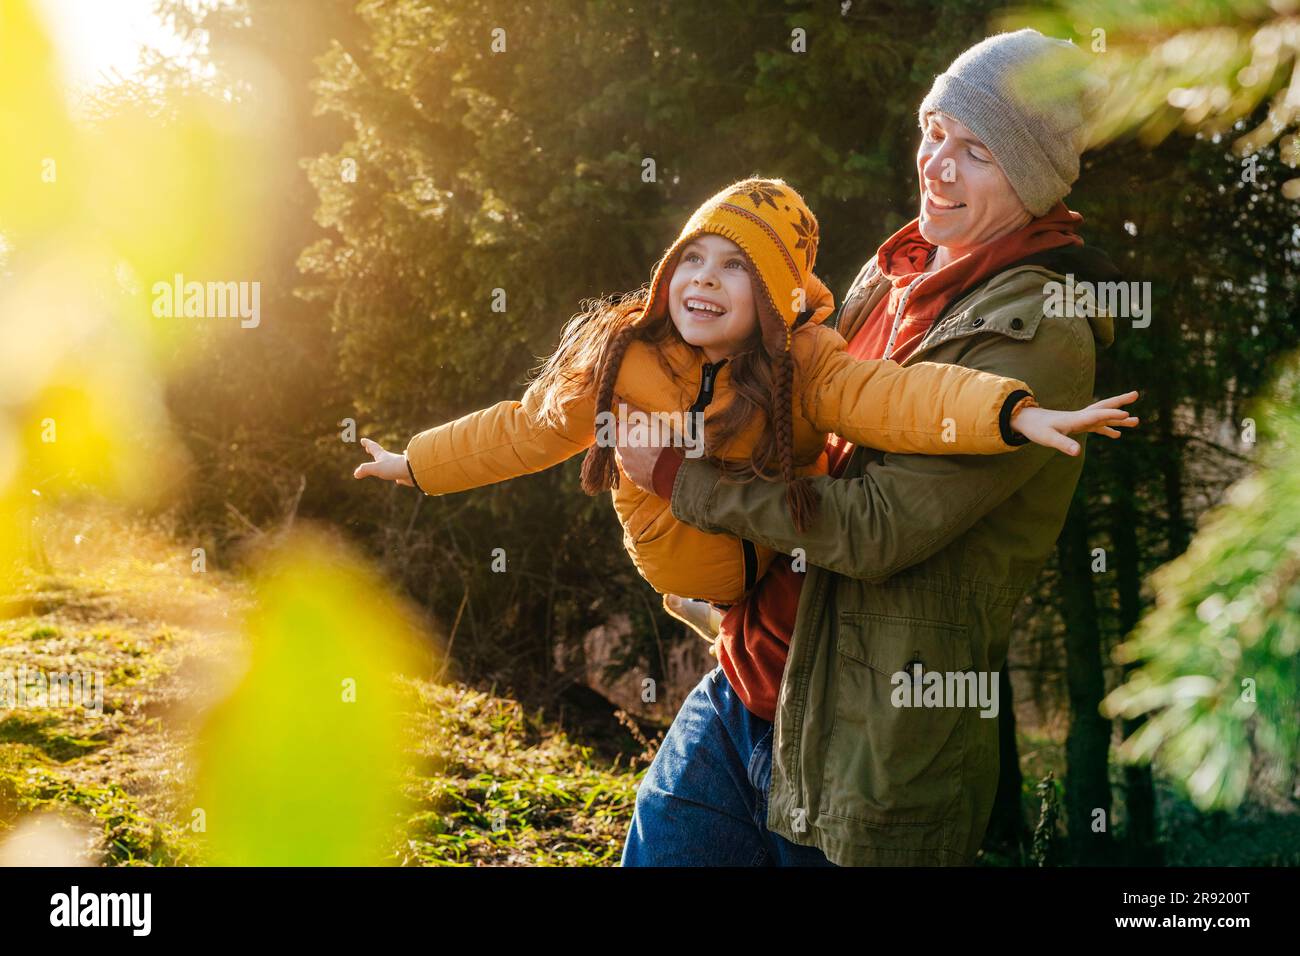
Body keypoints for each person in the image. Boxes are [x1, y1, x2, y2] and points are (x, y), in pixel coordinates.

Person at [614, 29, 1130, 866]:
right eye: (934, 131)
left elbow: (879, 528)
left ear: (1033, 176)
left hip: (864, 754)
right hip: (743, 693)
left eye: (976, 151)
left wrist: (685, 482)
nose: (938, 165)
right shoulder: (892, 274)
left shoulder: (1041, 334)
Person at [355, 177, 1135, 639]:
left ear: (777, 296)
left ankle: (727, 627)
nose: (704, 277)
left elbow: (890, 395)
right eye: (691, 257)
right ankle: (711, 617)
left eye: (735, 267)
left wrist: (1010, 411)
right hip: (678, 558)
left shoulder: (806, 360)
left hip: (774, 572)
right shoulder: (623, 357)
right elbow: (526, 428)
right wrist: (418, 462)